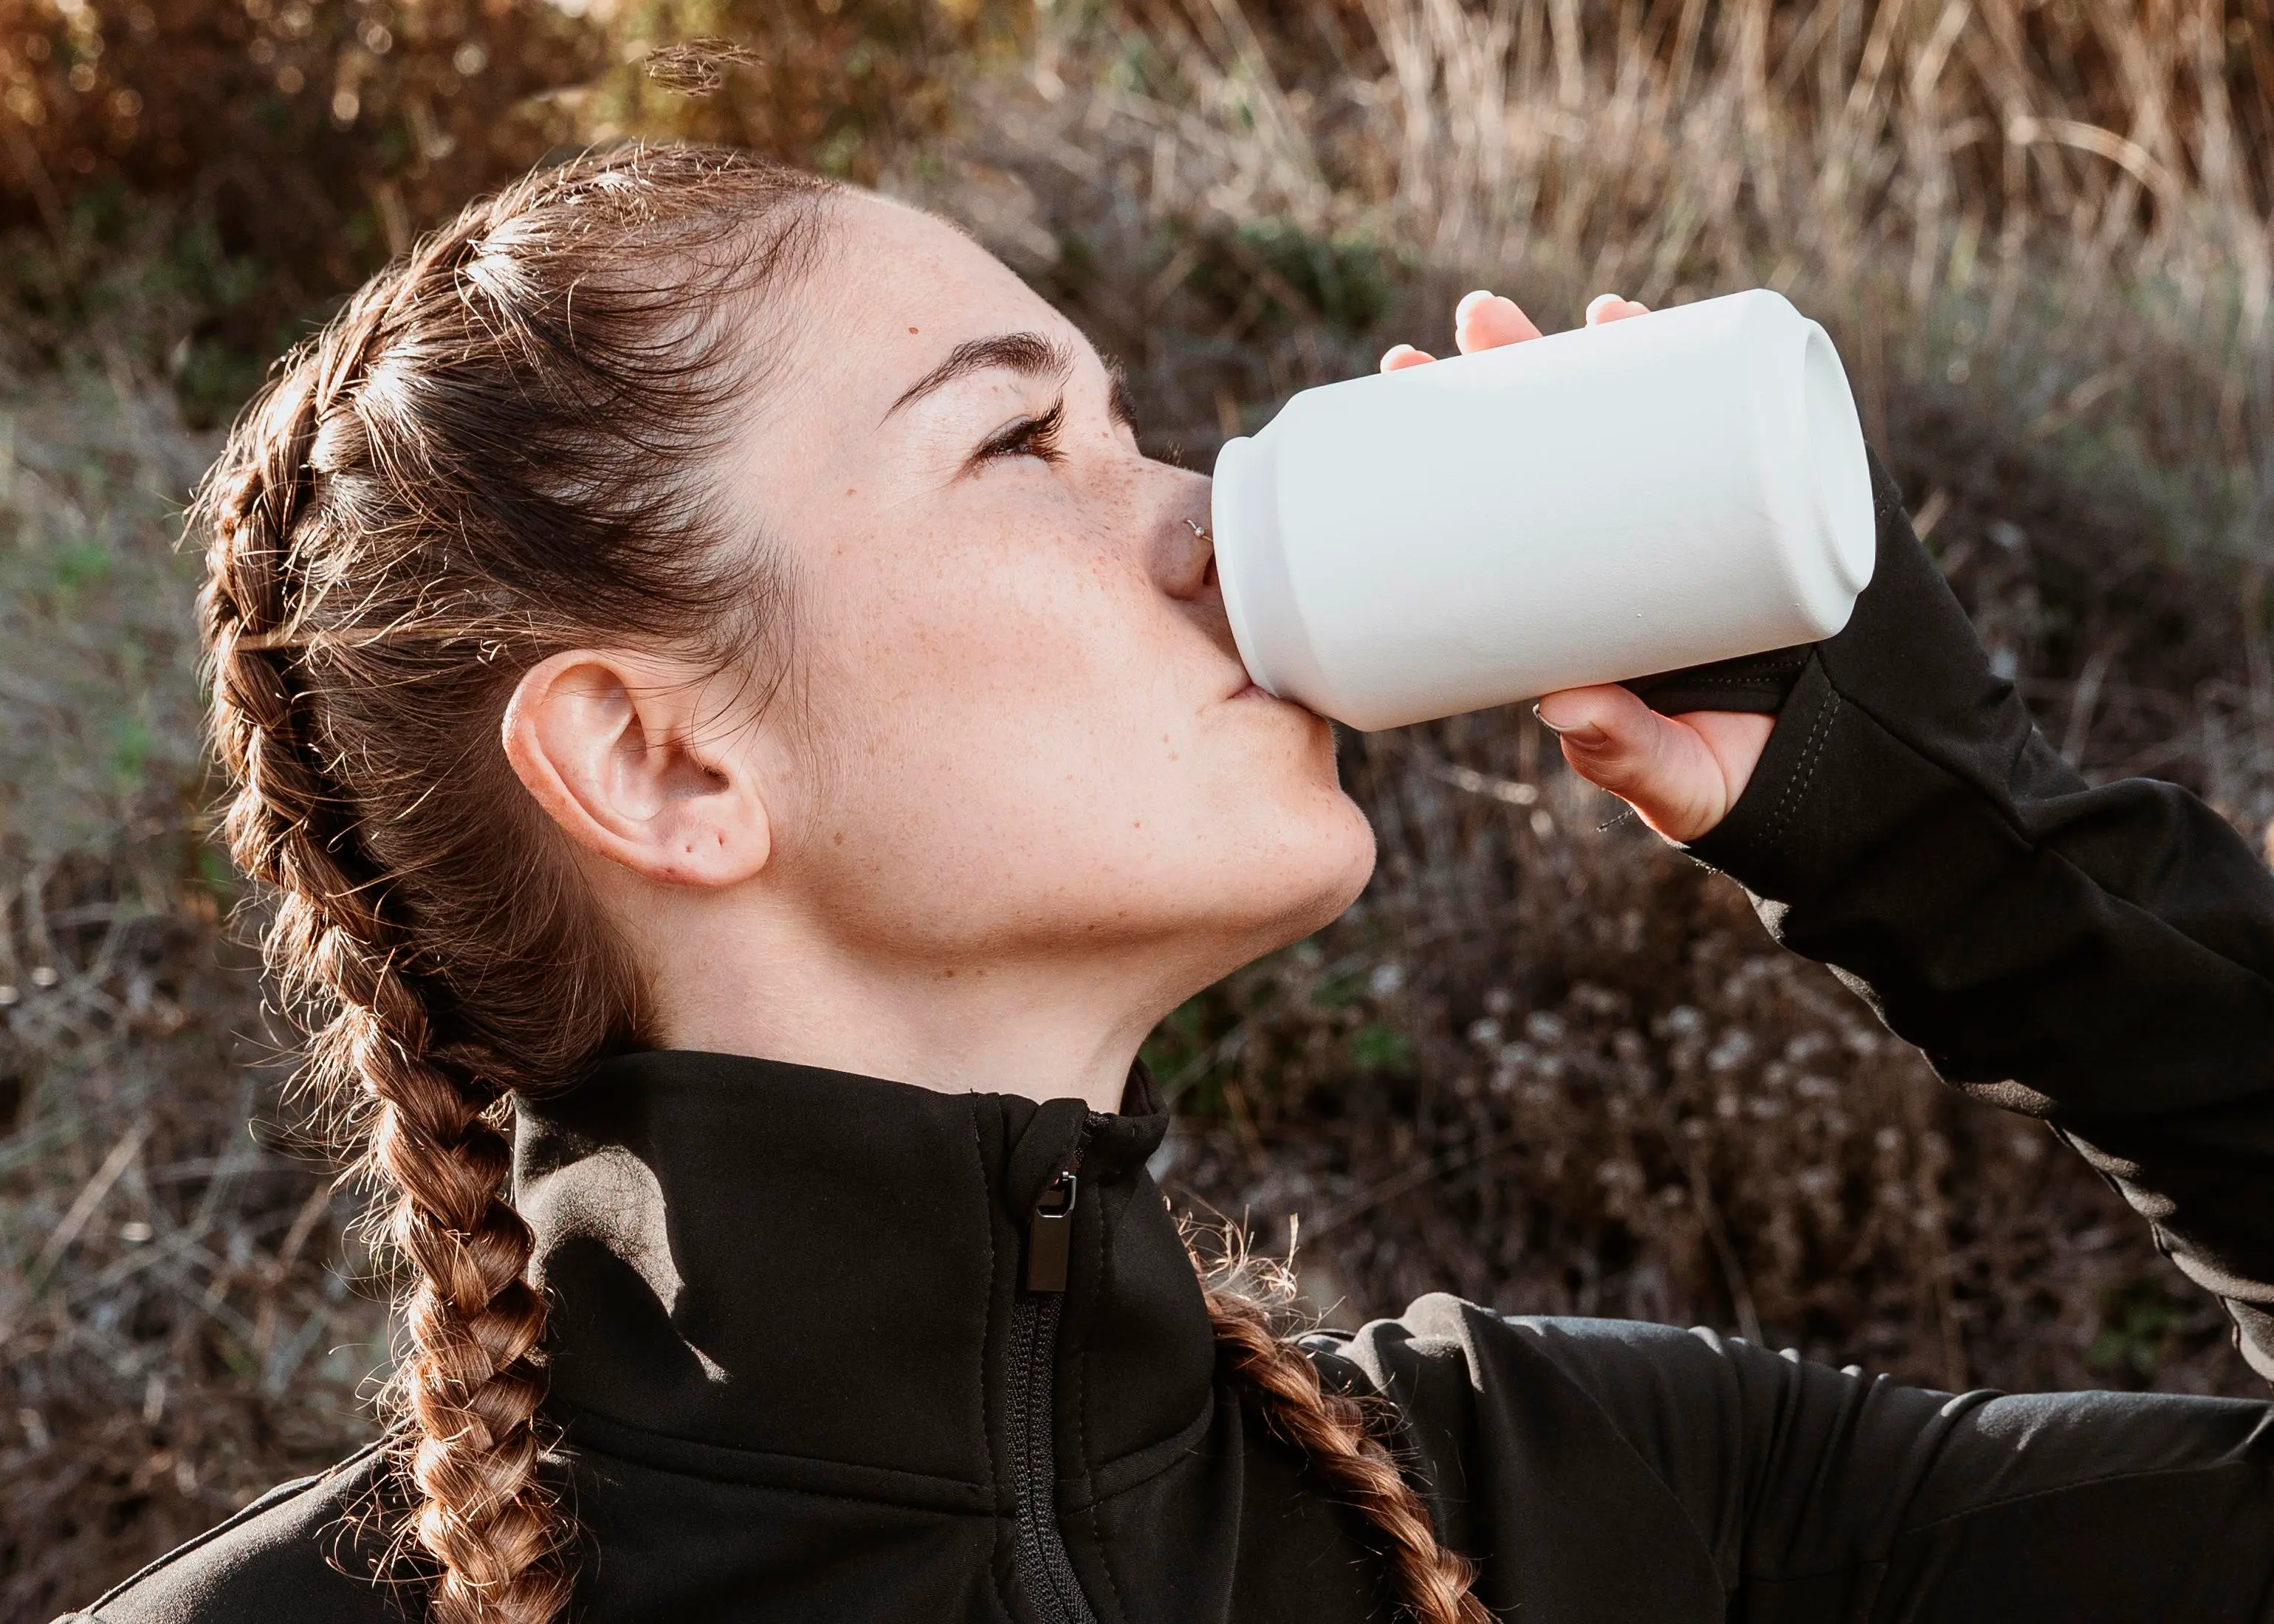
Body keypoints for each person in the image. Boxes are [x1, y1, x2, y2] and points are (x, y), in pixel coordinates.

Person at [59, 145, 2273, 1624]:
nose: (1209, 518)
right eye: (1025, 443)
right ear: (660, 757)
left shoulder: (1584, 1499)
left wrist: (1965, 846)